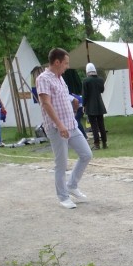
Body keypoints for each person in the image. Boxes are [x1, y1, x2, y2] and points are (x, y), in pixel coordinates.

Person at [36, 48, 93, 210]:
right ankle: (63, 196)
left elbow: (61, 96)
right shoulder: (43, 79)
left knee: (86, 154)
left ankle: (72, 184)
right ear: (56, 62)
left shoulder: (61, 79)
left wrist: (73, 100)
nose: (67, 66)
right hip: (56, 127)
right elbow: (46, 103)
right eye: (66, 63)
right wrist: (60, 125)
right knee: (61, 163)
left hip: (71, 124)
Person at [82, 62, 107, 150]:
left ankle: (97, 144)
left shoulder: (86, 81)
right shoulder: (100, 80)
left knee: (94, 126)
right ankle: (104, 143)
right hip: (100, 104)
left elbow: (85, 95)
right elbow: (102, 90)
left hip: (90, 106)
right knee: (101, 125)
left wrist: (83, 105)